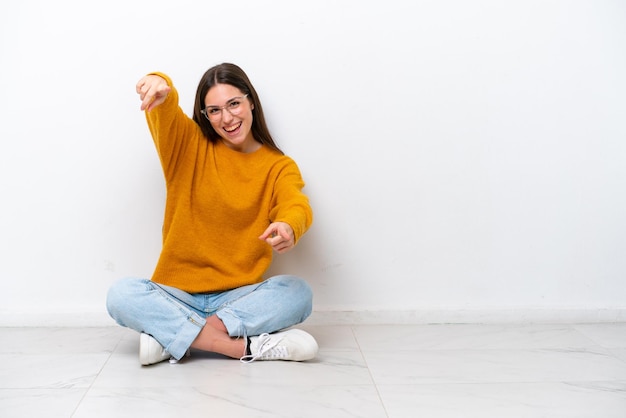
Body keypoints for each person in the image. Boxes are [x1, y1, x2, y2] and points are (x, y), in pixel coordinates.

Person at [106, 63, 318, 365]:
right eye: (214, 110)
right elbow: (165, 109)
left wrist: (288, 225)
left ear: (250, 102)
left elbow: (295, 203)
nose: (227, 118)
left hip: (237, 299)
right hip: (176, 295)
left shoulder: (277, 166)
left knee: (298, 293)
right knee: (121, 294)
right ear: (205, 115)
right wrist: (159, 82)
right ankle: (239, 347)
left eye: (234, 104)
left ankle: (173, 337)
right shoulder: (188, 146)